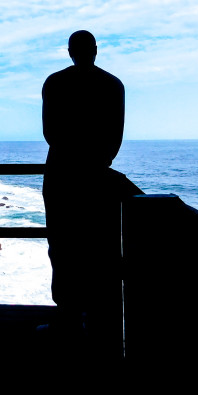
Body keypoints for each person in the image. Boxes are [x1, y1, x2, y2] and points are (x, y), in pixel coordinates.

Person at [41, 30, 141, 339]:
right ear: (96, 50)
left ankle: (68, 321)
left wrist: (72, 159)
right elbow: (114, 140)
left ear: (68, 51)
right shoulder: (113, 85)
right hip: (98, 178)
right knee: (100, 250)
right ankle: (101, 326)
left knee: (62, 249)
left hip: (61, 177)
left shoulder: (55, 83)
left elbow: (50, 134)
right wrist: (94, 164)